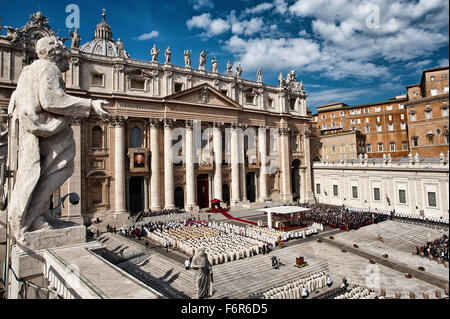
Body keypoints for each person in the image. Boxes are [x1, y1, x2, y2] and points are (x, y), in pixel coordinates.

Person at [7, 36, 110, 243]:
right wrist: (90, 105)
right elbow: (51, 99)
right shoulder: (48, 68)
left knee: (41, 173)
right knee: (59, 168)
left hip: (36, 130)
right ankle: (32, 217)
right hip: (43, 130)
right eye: (66, 55)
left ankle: (36, 215)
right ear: (58, 54)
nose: (69, 60)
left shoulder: (28, 70)